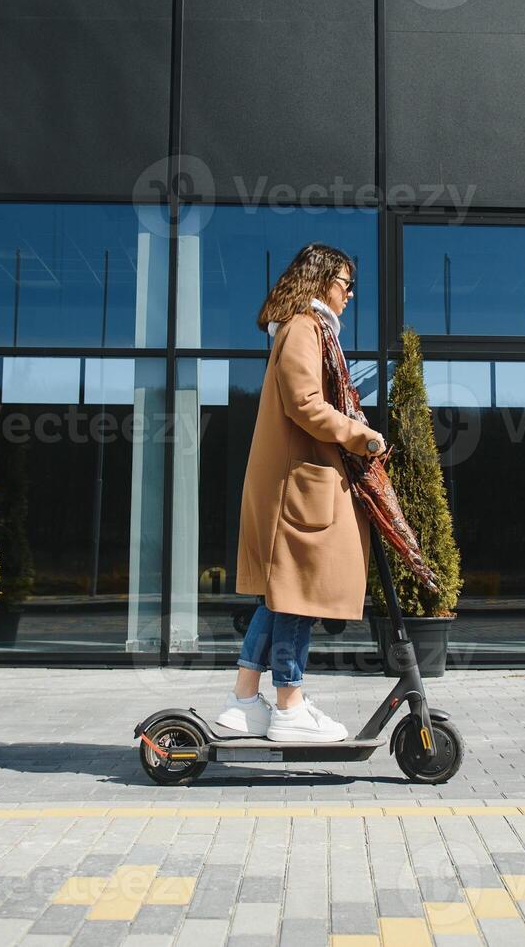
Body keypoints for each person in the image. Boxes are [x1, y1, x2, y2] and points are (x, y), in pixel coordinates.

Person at [215, 243, 388, 742]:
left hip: (299, 485)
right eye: (345, 283)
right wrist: (362, 434)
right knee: (298, 596)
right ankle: (289, 705)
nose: (350, 293)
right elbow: (305, 404)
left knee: (282, 594)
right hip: (299, 490)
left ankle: (245, 699)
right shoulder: (304, 329)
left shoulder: (306, 331)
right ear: (319, 282)